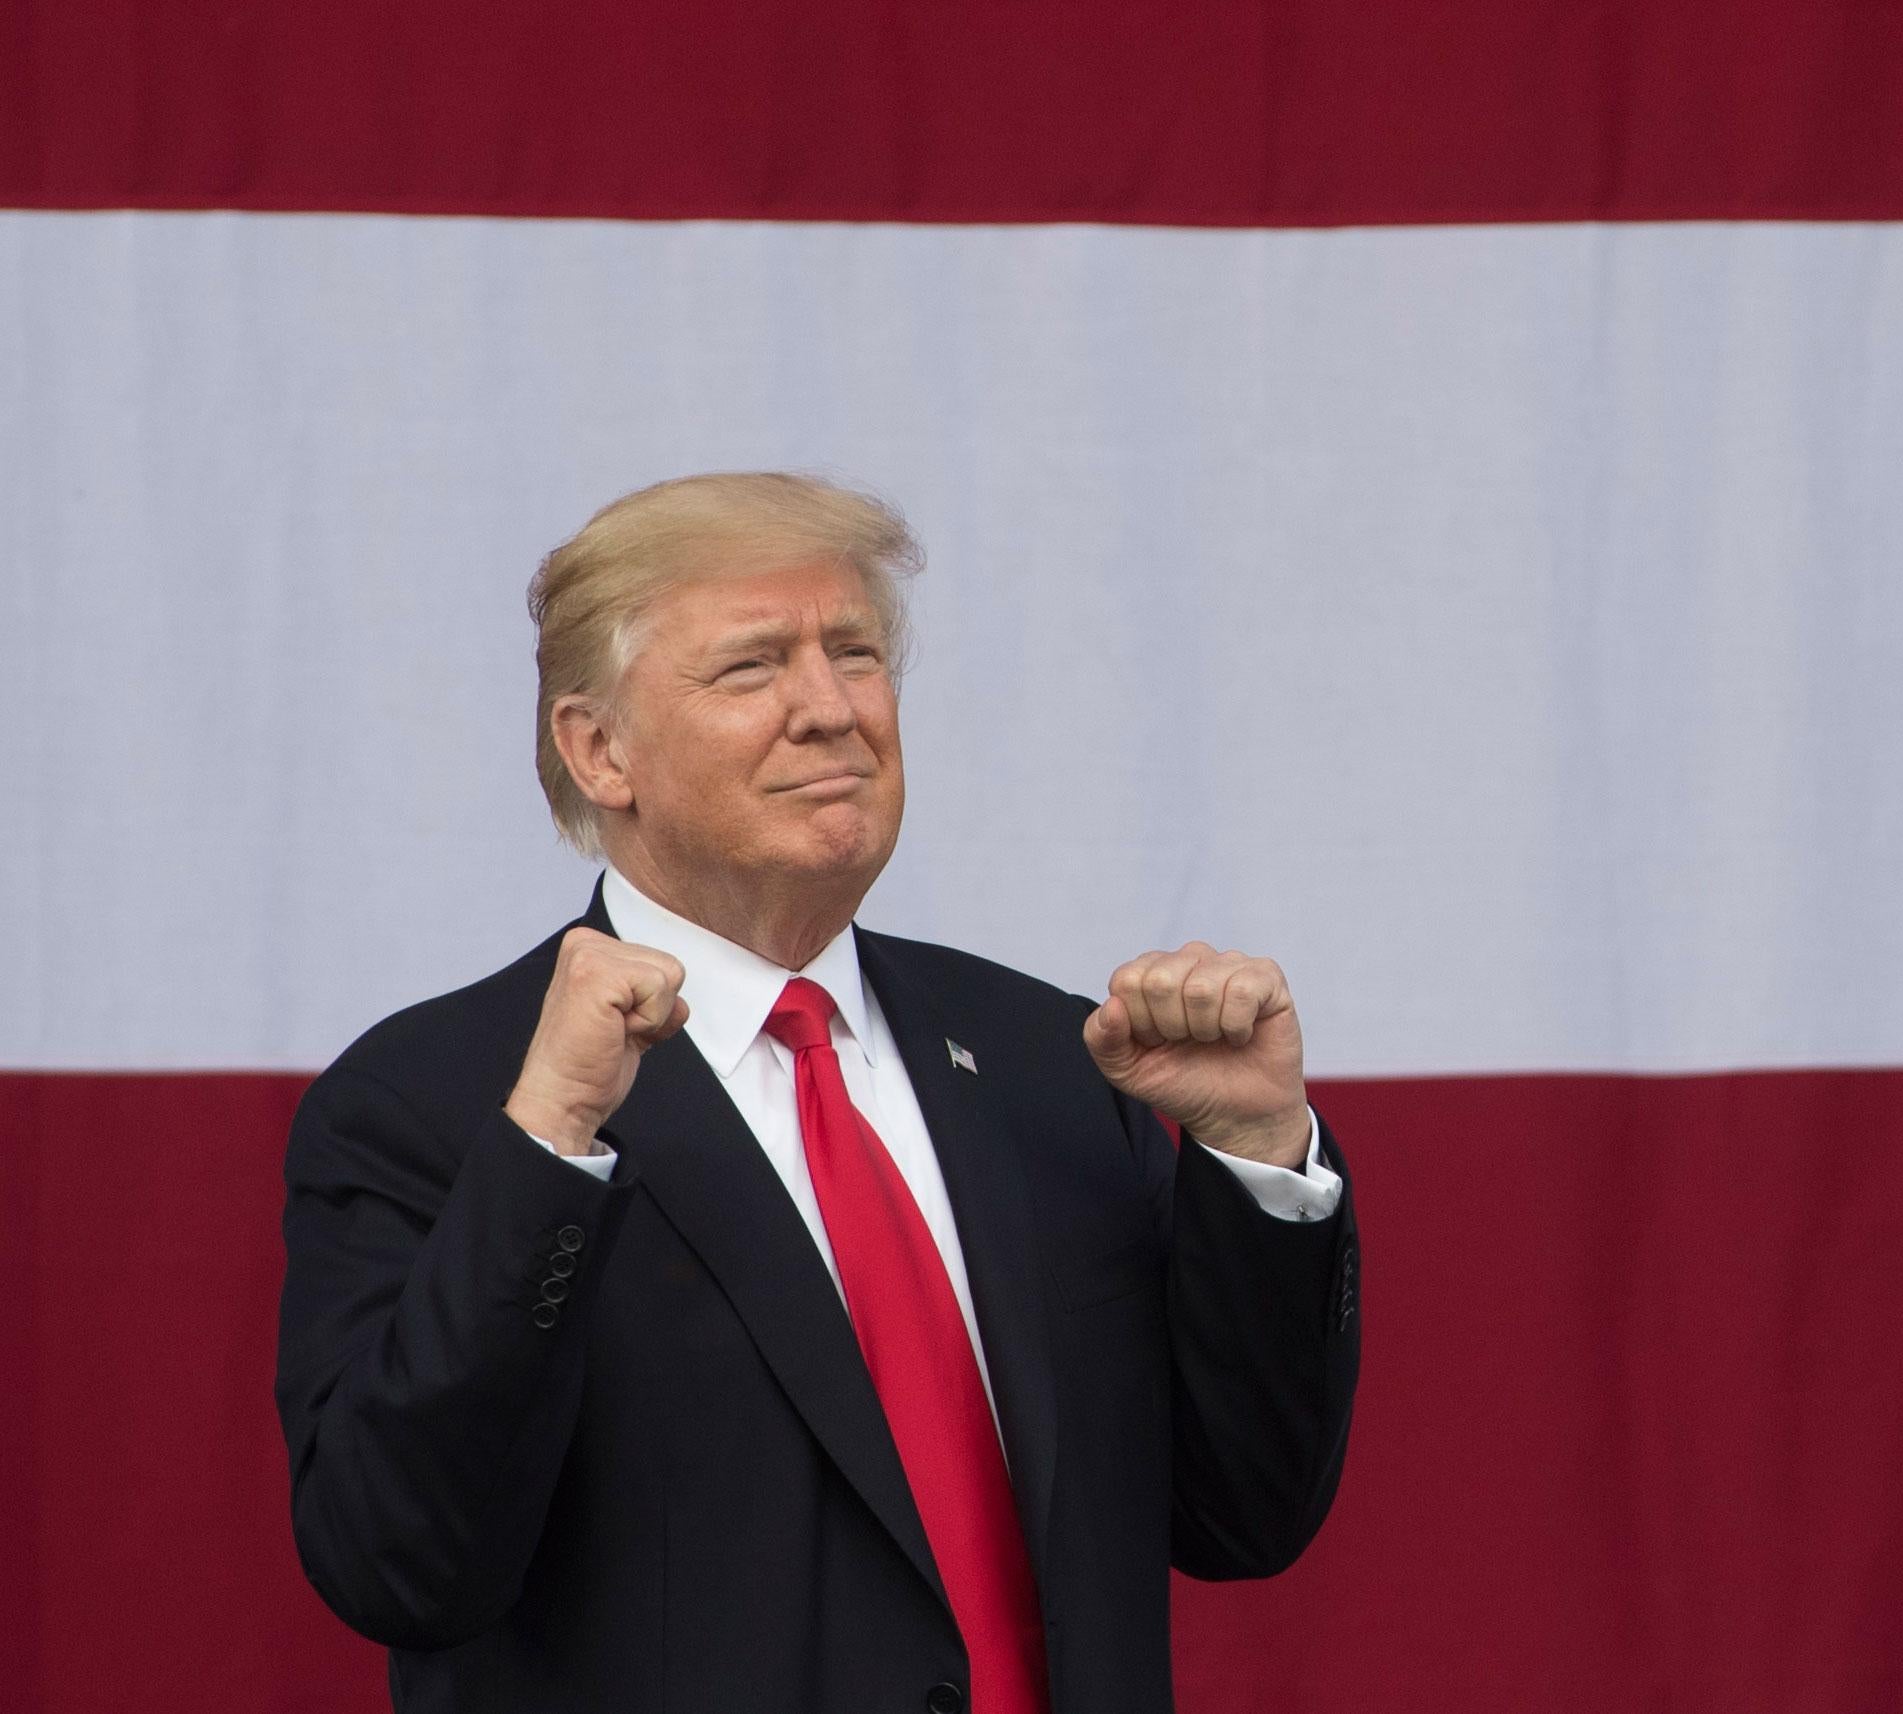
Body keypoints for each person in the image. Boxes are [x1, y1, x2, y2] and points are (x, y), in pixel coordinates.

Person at [275, 472, 1361, 1714]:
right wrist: (550, 1145)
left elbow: (1246, 1512)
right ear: (600, 750)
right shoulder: (442, 1101)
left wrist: (1261, 1154)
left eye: (855, 652)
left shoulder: (1054, 1063)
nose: (832, 708)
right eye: (752, 668)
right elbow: (399, 1562)